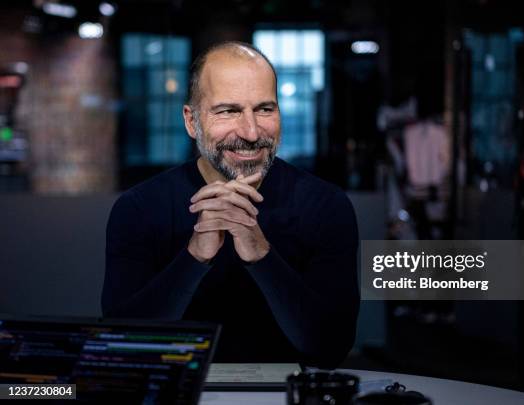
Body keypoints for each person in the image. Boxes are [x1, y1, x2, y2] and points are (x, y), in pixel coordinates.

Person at [102, 41, 359, 368]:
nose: (251, 132)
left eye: (265, 109)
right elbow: (121, 347)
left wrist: (261, 255)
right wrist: (195, 256)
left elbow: (331, 348)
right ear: (192, 122)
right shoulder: (138, 209)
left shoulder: (327, 206)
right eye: (229, 111)